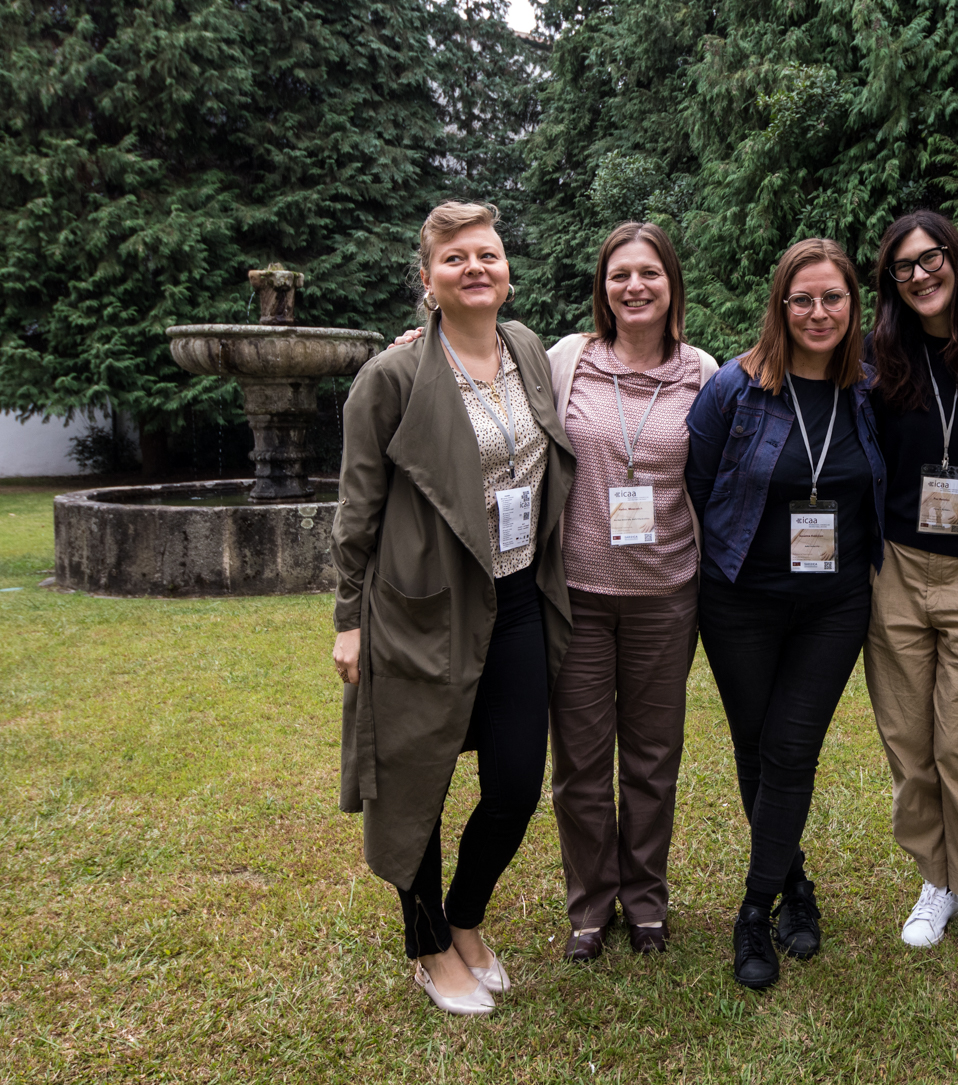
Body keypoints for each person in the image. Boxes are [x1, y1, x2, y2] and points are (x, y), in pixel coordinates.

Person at [332, 201, 575, 1017]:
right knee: (418, 779)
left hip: (515, 599)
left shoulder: (531, 352)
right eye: (455, 259)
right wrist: (347, 619)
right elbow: (356, 508)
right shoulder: (393, 376)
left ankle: (466, 916)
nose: (476, 267)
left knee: (514, 781)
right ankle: (429, 944)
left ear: (508, 271)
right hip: (420, 604)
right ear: (429, 281)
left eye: (489, 255)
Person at [685, 238, 886, 990]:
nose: (818, 311)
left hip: (835, 604)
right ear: (779, 305)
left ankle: (752, 907)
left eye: (832, 297)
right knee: (756, 743)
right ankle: (794, 881)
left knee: (792, 747)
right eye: (802, 298)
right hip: (740, 599)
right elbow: (700, 485)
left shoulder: (869, 387)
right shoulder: (735, 389)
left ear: (852, 305)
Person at [542, 223, 719, 961]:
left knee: (652, 756)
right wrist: (416, 345)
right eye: (620, 275)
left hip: (666, 593)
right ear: (603, 287)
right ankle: (590, 905)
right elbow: (479, 367)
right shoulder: (566, 360)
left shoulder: (702, 372)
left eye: (650, 272)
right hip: (577, 593)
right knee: (580, 760)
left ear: (672, 284)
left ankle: (645, 900)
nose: (635, 286)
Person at [859, 211, 958, 967]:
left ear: (956, 259)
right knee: (909, 742)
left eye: (930, 260)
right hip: (894, 565)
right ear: (890, 284)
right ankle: (938, 879)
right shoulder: (878, 357)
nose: (920, 275)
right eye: (902, 268)